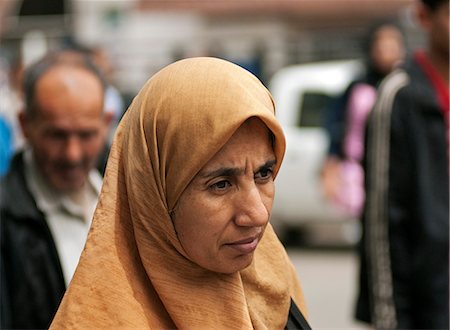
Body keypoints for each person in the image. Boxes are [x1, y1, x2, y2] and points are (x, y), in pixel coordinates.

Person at [50, 57, 311, 329]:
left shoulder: (273, 276)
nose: (257, 215)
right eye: (221, 184)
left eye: (264, 174)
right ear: (155, 196)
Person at [0, 51, 113, 329]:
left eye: (86, 135)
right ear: (25, 125)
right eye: (57, 135)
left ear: (106, 124)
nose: (72, 154)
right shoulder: (6, 220)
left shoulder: (132, 197)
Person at [356, 0, 449, 328]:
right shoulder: (398, 96)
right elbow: (382, 222)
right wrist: (390, 319)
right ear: (425, 16)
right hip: (430, 304)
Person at [321, 20, 405, 217]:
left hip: (399, 173)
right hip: (361, 172)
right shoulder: (358, 86)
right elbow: (337, 126)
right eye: (380, 41)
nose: (385, 47)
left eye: (392, 41)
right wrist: (331, 165)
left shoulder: (407, 88)